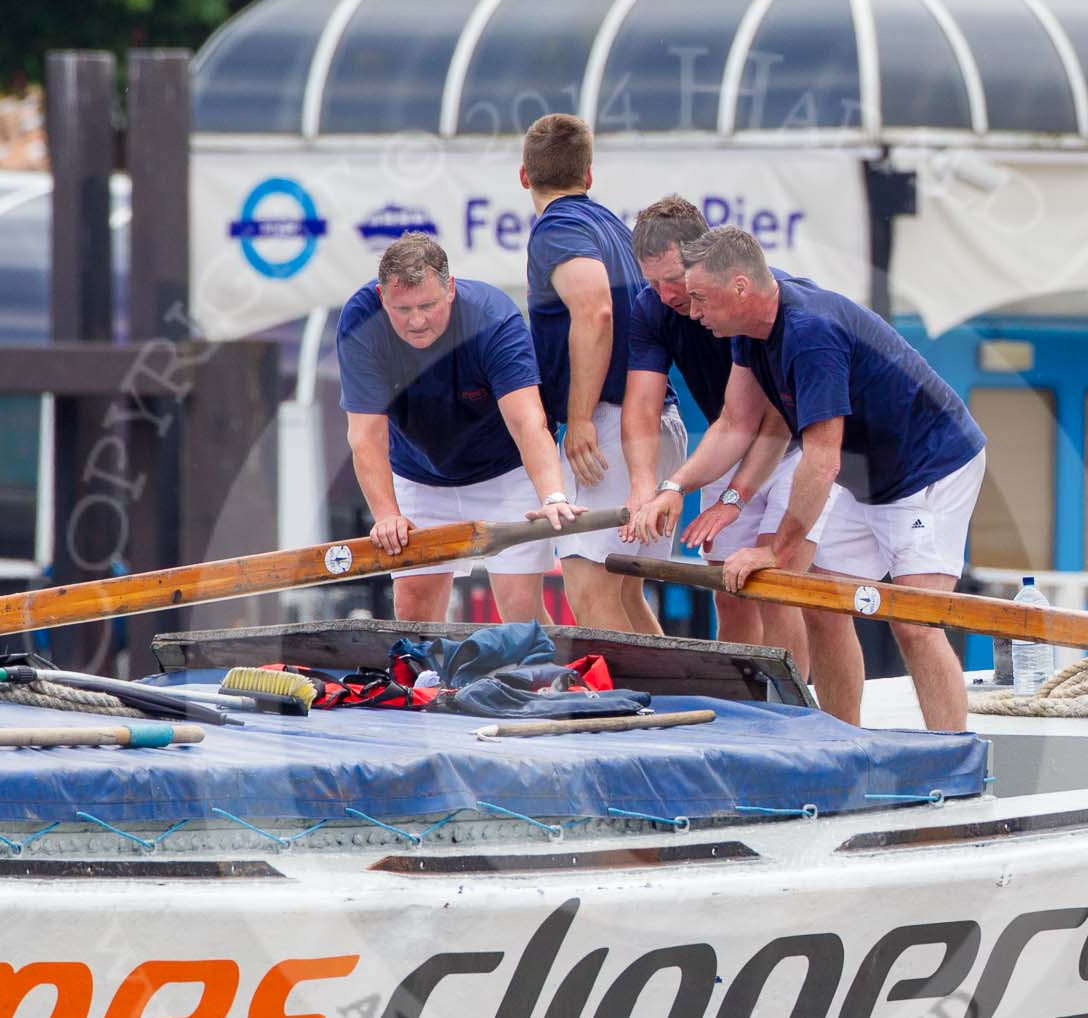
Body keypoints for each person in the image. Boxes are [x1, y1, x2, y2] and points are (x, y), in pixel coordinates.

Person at [675, 227, 987, 732]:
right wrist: (681, 490)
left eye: (699, 299)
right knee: (822, 605)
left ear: (739, 288)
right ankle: (844, 743)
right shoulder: (751, 326)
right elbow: (740, 426)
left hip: (931, 466)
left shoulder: (810, 333)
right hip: (865, 475)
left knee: (915, 620)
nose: (693, 312)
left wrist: (773, 549)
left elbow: (821, 461)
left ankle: (955, 759)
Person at [336, 233, 584, 623]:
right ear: (382, 297)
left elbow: (527, 421)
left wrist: (552, 495)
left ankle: (544, 683)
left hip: (506, 470)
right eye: (402, 309)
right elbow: (365, 435)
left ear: (449, 289)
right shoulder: (359, 320)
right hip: (420, 471)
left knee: (520, 609)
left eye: (428, 305)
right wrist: (386, 515)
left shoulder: (493, 318)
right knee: (412, 604)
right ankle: (422, 682)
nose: (416, 321)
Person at [621, 195, 817, 672]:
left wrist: (732, 497)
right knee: (730, 594)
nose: (667, 294)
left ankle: (792, 713)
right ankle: (745, 703)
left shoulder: (757, 300)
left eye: (673, 279)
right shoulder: (652, 308)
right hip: (725, 443)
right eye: (652, 281)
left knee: (774, 587)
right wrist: (646, 487)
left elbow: (772, 418)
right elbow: (643, 407)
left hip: (797, 447)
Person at [521, 113, 686, 634]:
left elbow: (595, 311)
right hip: (652, 422)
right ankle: (665, 705)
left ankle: (631, 712)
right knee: (627, 595)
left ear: (524, 176)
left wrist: (580, 416)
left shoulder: (558, 228)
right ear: (588, 175)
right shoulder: (611, 226)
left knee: (590, 594)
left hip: (610, 428)